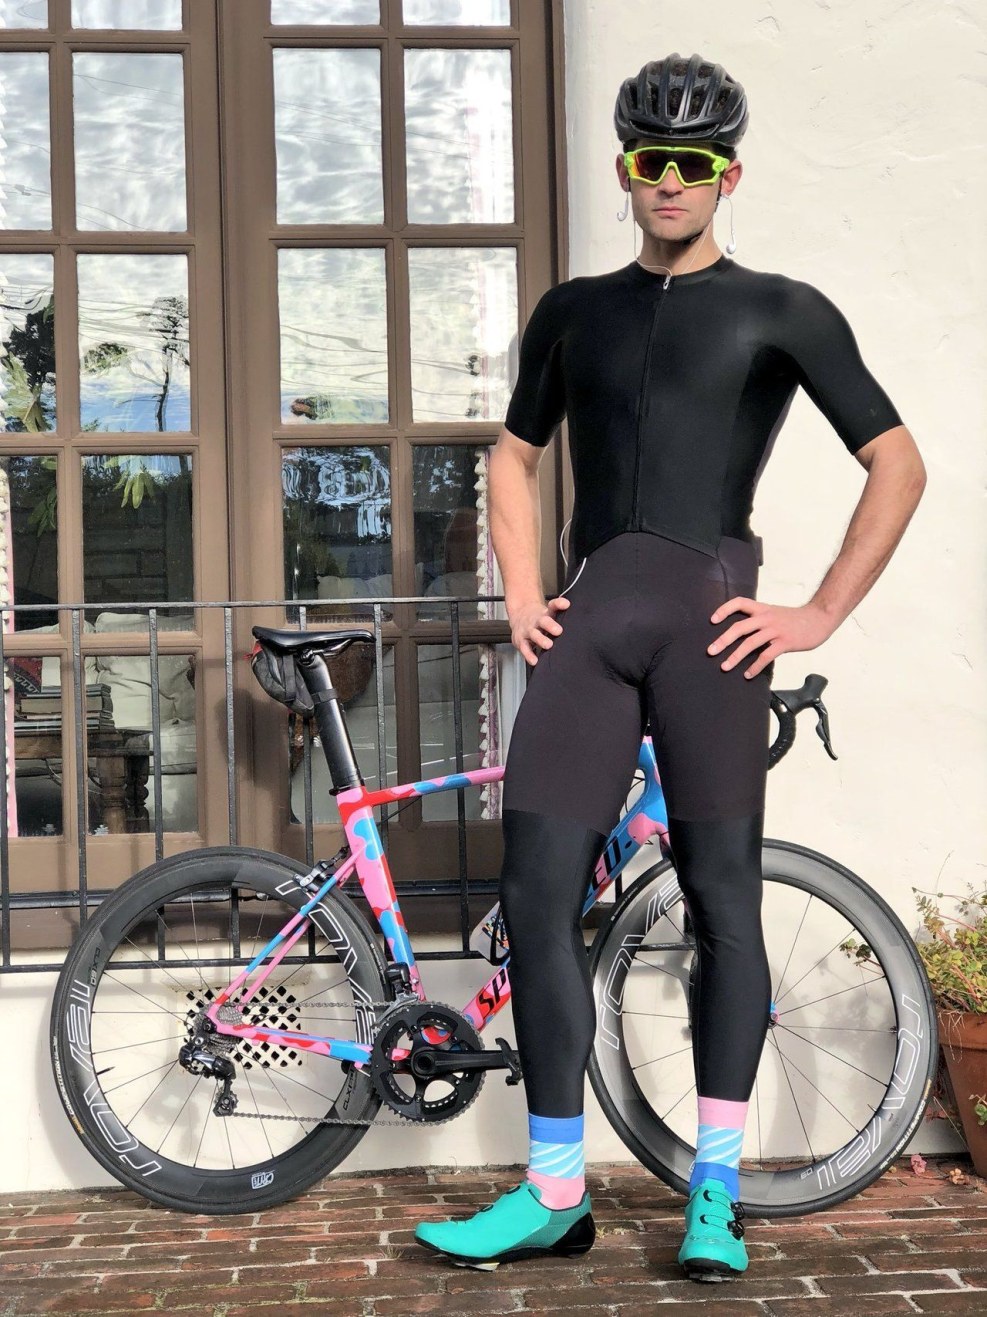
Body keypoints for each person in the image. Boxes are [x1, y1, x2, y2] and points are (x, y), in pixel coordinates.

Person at [414, 51, 926, 1281]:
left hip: (711, 633)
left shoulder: (782, 309)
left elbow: (898, 463)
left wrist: (814, 613)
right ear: (624, 170)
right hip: (591, 629)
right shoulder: (572, 311)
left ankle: (713, 1189)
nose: (672, 181)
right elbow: (513, 454)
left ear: (728, 174)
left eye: (695, 164)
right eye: (652, 162)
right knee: (536, 900)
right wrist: (528, 593)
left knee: (722, 902)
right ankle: (550, 1193)